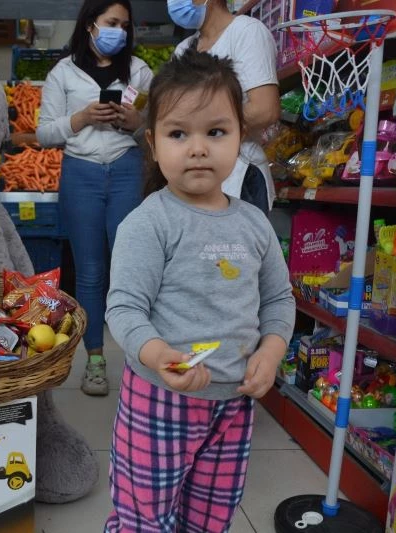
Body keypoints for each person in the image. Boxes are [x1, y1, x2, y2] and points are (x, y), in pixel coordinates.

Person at [104, 50, 295, 532]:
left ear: (240, 137)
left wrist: (271, 352)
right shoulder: (149, 222)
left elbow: (278, 300)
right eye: (177, 134)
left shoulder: (255, 223)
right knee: (144, 518)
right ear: (152, 143)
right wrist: (157, 354)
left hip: (234, 404)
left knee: (211, 518)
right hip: (159, 400)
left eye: (216, 131)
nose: (198, 148)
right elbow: (125, 308)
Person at [36, 0, 153, 396]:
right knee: (89, 272)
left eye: (124, 24)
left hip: (126, 169)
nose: (118, 30)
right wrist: (81, 118)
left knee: (131, 268)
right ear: (90, 25)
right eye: (110, 22)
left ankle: (142, 358)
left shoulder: (139, 71)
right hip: (81, 174)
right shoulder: (62, 73)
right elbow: (44, 134)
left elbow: (158, 131)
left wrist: (137, 124)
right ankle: (96, 360)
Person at [168, 0, 281, 213]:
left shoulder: (246, 32)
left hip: (238, 175)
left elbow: (265, 109)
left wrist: (201, 130)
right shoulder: (183, 50)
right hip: (195, 176)